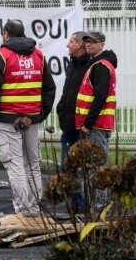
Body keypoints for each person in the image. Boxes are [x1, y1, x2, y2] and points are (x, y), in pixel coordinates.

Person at [0, 19, 56, 216]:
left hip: (7, 120)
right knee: (32, 164)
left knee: (15, 165)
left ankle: (23, 209)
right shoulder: (38, 55)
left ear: (6, 34)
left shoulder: (1, 55)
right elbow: (49, 88)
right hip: (31, 120)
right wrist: (40, 115)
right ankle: (33, 208)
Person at [75, 31, 118, 213]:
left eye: (93, 42)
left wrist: (87, 123)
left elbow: (100, 97)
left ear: (102, 44)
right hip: (95, 125)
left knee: (98, 168)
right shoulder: (96, 64)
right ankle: (99, 207)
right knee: (94, 167)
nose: (89, 45)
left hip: (96, 126)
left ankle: (101, 210)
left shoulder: (101, 66)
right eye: (86, 42)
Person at [55, 31, 91, 170]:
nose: (67, 45)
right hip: (68, 123)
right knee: (66, 169)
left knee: (80, 169)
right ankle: (72, 193)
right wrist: (61, 109)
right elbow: (67, 91)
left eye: (71, 42)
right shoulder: (72, 64)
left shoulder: (90, 65)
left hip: (82, 126)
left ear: (79, 45)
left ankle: (81, 193)